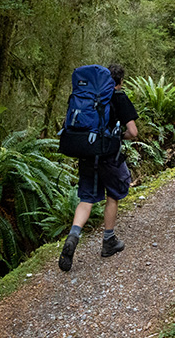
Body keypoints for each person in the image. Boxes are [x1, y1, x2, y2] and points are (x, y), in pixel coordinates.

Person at [58, 63, 138, 271]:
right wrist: (117, 137)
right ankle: (108, 241)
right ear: (119, 82)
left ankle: (73, 235)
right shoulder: (118, 97)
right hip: (108, 156)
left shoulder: (88, 96)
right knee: (113, 195)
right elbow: (133, 132)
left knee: (87, 199)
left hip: (86, 153)